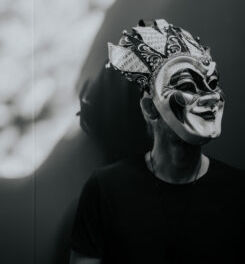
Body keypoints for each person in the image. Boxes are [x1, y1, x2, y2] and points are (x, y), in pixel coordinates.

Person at [69, 19, 245, 264]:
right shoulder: (105, 189)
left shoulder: (238, 191)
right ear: (150, 109)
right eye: (186, 85)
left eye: (213, 83)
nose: (210, 97)